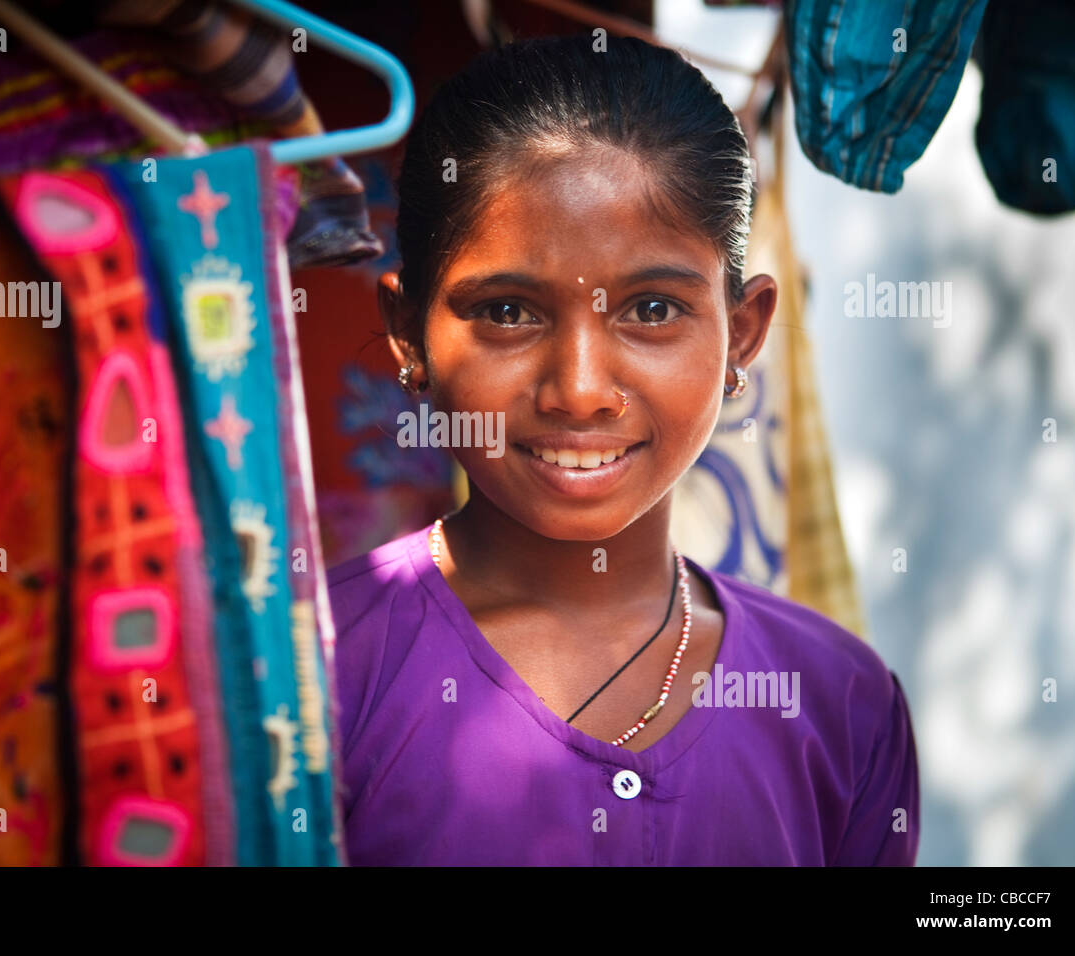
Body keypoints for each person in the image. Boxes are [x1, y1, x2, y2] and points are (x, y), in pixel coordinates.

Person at [326, 34, 920, 866]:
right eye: (506, 311)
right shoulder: (305, 677)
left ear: (742, 337)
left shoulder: (840, 701)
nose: (578, 389)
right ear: (408, 335)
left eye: (649, 310)